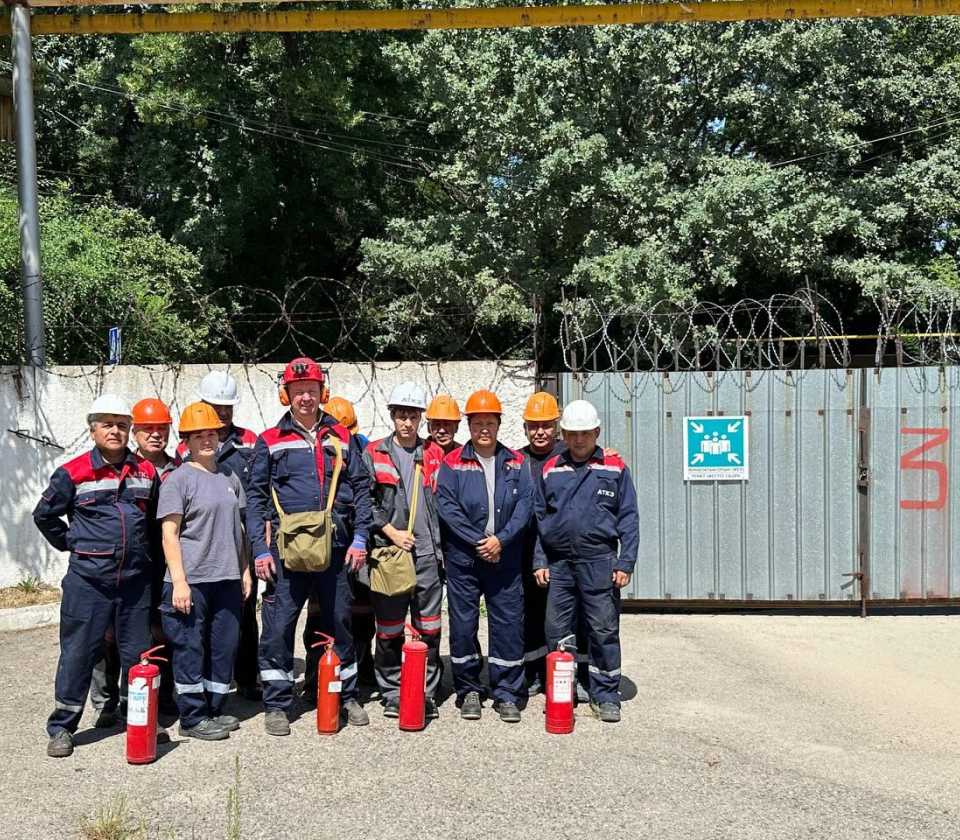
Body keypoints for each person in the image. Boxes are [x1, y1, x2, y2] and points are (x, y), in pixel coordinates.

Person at [246, 357, 373, 735]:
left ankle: (346, 695)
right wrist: (259, 550)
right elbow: (255, 499)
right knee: (278, 627)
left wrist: (361, 538)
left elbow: (362, 490)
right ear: (286, 395)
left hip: (337, 548)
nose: (305, 397)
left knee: (340, 623)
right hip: (286, 552)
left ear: (322, 392)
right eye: (298, 391)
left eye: (312, 390)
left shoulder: (342, 436)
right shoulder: (270, 441)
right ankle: (277, 704)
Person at [34, 395, 159, 758]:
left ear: (129, 430)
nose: (115, 431)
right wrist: (73, 543)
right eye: (107, 424)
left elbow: (153, 523)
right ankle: (62, 727)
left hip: (135, 581)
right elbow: (44, 515)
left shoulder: (145, 472)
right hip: (88, 582)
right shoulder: (73, 472)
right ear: (93, 430)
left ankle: (138, 720)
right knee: (78, 653)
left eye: (121, 425)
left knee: (138, 655)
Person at [533, 400, 639, 723]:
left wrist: (625, 562)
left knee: (603, 628)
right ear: (563, 434)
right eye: (572, 434)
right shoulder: (551, 469)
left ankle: (605, 694)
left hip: (599, 561)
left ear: (597, 432)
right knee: (557, 629)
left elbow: (629, 518)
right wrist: (540, 559)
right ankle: (563, 690)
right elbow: (540, 518)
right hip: (560, 564)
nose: (578, 440)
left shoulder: (615, 468)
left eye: (585, 433)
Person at [436, 389, 533, 723]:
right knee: (463, 625)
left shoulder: (516, 462)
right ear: (469, 425)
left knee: (508, 625)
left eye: (490, 422)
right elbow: (447, 507)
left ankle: (507, 692)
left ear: (499, 424)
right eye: (478, 423)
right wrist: (480, 541)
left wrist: (501, 541)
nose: (484, 429)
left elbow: (525, 506)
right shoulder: (452, 463)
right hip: (465, 560)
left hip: (504, 559)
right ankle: (469, 690)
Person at [158, 402, 253, 740]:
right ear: (186, 441)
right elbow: (169, 534)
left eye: (211, 433)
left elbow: (239, 529)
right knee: (190, 648)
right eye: (198, 436)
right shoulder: (178, 480)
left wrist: (245, 570)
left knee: (223, 646)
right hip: (192, 580)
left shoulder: (229, 477)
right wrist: (179, 582)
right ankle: (192, 717)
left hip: (227, 578)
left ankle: (214, 708)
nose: (207, 440)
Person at [89, 397, 177, 726]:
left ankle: (158, 696)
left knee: (161, 632)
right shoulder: (125, 468)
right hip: (124, 564)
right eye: (148, 429)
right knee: (109, 634)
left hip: (163, 565)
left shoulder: (179, 469)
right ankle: (106, 702)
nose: (155, 435)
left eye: (161, 428)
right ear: (135, 432)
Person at [363, 382, 445, 718]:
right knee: (389, 629)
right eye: (401, 416)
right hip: (391, 556)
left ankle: (426, 692)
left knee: (430, 628)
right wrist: (391, 532)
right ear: (392, 416)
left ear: (421, 418)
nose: (407, 422)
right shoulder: (375, 453)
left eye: (413, 416)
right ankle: (394, 693)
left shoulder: (434, 454)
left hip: (428, 557)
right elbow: (363, 501)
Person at [178, 370, 261, 701]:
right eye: (217, 406)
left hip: (240, 539)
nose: (223, 412)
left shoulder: (249, 440)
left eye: (228, 406)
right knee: (201, 620)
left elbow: (258, 489)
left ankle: (247, 677)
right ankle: (205, 683)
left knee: (244, 613)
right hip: (202, 544)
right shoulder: (187, 445)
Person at [303, 394, 375, 697]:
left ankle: (362, 666)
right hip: (324, 544)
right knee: (320, 612)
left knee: (359, 611)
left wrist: (362, 537)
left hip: (356, 540)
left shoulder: (363, 449)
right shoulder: (315, 449)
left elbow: (367, 496)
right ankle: (314, 675)